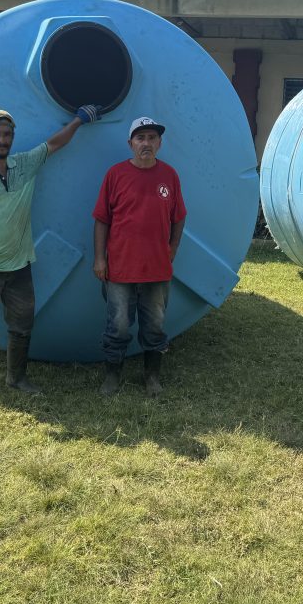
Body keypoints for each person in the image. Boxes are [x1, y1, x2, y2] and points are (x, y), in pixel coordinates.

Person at [0, 104, 100, 399]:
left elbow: (55, 143)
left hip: (19, 267)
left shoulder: (25, 164)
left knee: (21, 325)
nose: (2, 140)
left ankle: (16, 378)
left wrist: (79, 121)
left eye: (7, 134)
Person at [93, 116, 186, 397]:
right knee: (118, 325)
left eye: (152, 138)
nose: (146, 143)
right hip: (120, 267)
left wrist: (172, 249)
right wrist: (100, 258)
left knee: (155, 325)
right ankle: (112, 376)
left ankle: (152, 377)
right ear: (130, 143)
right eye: (140, 138)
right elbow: (101, 220)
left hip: (157, 268)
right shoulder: (115, 174)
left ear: (159, 143)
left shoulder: (169, 175)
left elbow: (179, 217)